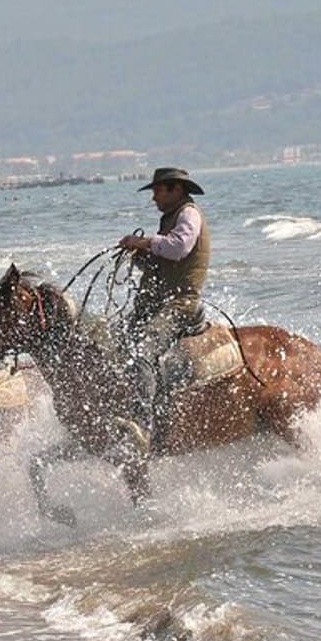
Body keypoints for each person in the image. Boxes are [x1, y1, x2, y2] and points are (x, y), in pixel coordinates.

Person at [117, 167, 211, 453]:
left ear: (176, 190)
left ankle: (143, 425)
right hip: (157, 304)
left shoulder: (189, 214)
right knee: (115, 342)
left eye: (158, 190)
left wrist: (143, 242)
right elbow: (165, 261)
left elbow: (179, 248)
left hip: (179, 305)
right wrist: (140, 255)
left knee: (142, 351)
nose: (154, 197)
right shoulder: (169, 217)